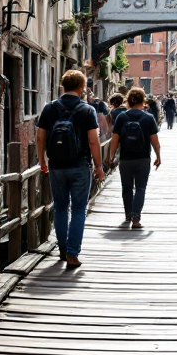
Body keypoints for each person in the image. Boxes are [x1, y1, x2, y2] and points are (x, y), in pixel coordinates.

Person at [37, 70, 106, 268]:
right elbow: (93, 141)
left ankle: (62, 249)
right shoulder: (87, 110)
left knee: (59, 208)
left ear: (63, 86)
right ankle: (72, 253)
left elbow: (40, 137)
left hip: (56, 166)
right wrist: (99, 166)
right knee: (78, 209)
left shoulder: (49, 108)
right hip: (80, 165)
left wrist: (42, 160)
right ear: (81, 87)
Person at [109, 88, 161, 229]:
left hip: (125, 158)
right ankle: (136, 216)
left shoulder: (121, 117)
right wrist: (158, 155)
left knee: (126, 187)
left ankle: (128, 213)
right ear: (143, 100)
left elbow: (115, 139)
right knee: (140, 188)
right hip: (143, 158)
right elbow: (154, 141)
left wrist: (111, 156)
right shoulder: (148, 117)